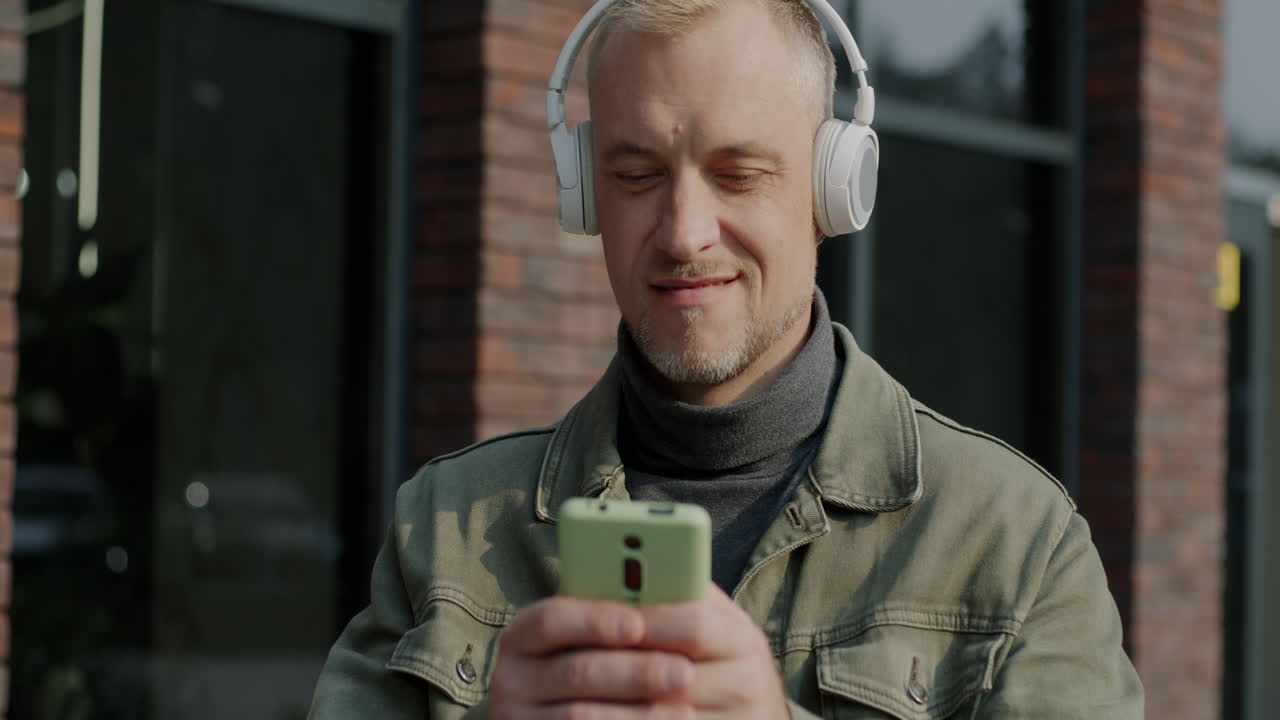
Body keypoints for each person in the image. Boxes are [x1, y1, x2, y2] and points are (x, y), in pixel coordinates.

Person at [308, 0, 1144, 717]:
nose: (683, 233)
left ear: (833, 190)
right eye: (637, 175)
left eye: (738, 174)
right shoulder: (442, 532)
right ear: (585, 194)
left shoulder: (1015, 545)